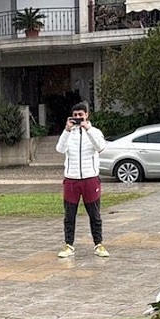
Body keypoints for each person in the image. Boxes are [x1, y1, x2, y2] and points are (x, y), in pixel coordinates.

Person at [56, 102, 109, 259]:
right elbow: (60, 149)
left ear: (87, 115)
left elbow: (100, 147)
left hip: (90, 179)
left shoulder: (95, 132)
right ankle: (69, 244)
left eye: (81, 115)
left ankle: (98, 244)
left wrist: (88, 129)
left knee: (94, 214)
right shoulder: (69, 133)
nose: (78, 118)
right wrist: (67, 130)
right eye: (75, 115)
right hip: (71, 180)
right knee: (69, 215)